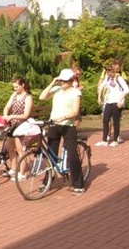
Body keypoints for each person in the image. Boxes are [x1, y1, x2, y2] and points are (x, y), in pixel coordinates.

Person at [39, 68, 85, 196]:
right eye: (61, 80)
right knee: (51, 155)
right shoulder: (57, 90)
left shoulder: (75, 92)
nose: (63, 83)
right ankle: (47, 180)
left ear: (71, 81)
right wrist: (53, 82)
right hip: (54, 125)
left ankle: (78, 184)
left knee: (72, 155)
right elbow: (42, 97)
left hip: (67, 126)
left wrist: (64, 117)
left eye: (65, 81)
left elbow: (75, 112)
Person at [2, 76, 33, 182]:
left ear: (23, 85)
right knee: (9, 147)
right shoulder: (14, 95)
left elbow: (26, 115)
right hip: (13, 125)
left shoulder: (28, 97)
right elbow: (7, 107)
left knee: (20, 150)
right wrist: (6, 115)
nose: (15, 89)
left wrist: (12, 116)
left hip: (22, 125)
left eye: (16, 87)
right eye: (14, 87)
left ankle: (22, 173)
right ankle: (14, 168)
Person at [96, 66, 129, 147]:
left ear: (114, 72)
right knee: (105, 120)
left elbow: (126, 89)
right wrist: (99, 97)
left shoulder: (119, 78)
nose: (109, 74)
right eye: (107, 72)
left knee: (115, 121)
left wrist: (120, 100)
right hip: (109, 101)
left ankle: (115, 140)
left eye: (110, 72)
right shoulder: (107, 78)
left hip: (117, 102)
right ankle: (104, 140)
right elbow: (101, 87)